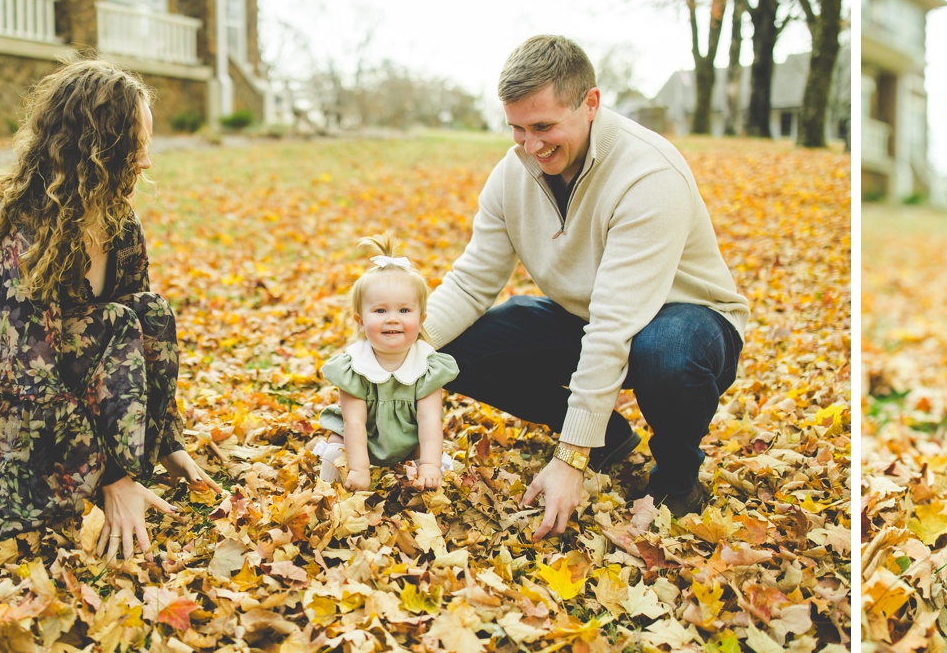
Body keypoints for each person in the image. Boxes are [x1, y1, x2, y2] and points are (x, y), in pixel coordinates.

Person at [424, 35, 749, 542]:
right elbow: (469, 283)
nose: (531, 146)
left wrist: (568, 460)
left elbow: (617, 321)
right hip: (584, 316)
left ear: (591, 103)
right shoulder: (513, 174)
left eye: (544, 126)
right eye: (516, 128)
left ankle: (677, 483)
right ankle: (610, 440)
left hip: (687, 320)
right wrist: (396, 352)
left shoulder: (647, 174)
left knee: (663, 348)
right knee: (452, 347)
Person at [0, 59, 218, 562]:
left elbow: (144, 333)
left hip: (35, 364)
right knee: (109, 324)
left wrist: (166, 438)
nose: (146, 163)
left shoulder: (118, 221)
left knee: (147, 311)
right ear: (97, 147)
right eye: (135, 146)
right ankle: (91, 482)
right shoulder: (26, 228)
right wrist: (113, 478)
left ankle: (118, 470)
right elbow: (29, 374)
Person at [310, 235, 459, 491]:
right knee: (336, 450)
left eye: (404, 311)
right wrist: (359, 468)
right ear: (360, 320)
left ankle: (417, 472)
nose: (392, 319)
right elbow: (354, 422)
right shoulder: (354, 366)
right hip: (362, 438)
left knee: (426, 458)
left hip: (408, 439)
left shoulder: (427, 366)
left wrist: (430, 465)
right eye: (380, 311)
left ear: (421, 318)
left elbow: (429, 420)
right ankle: (329, 488)